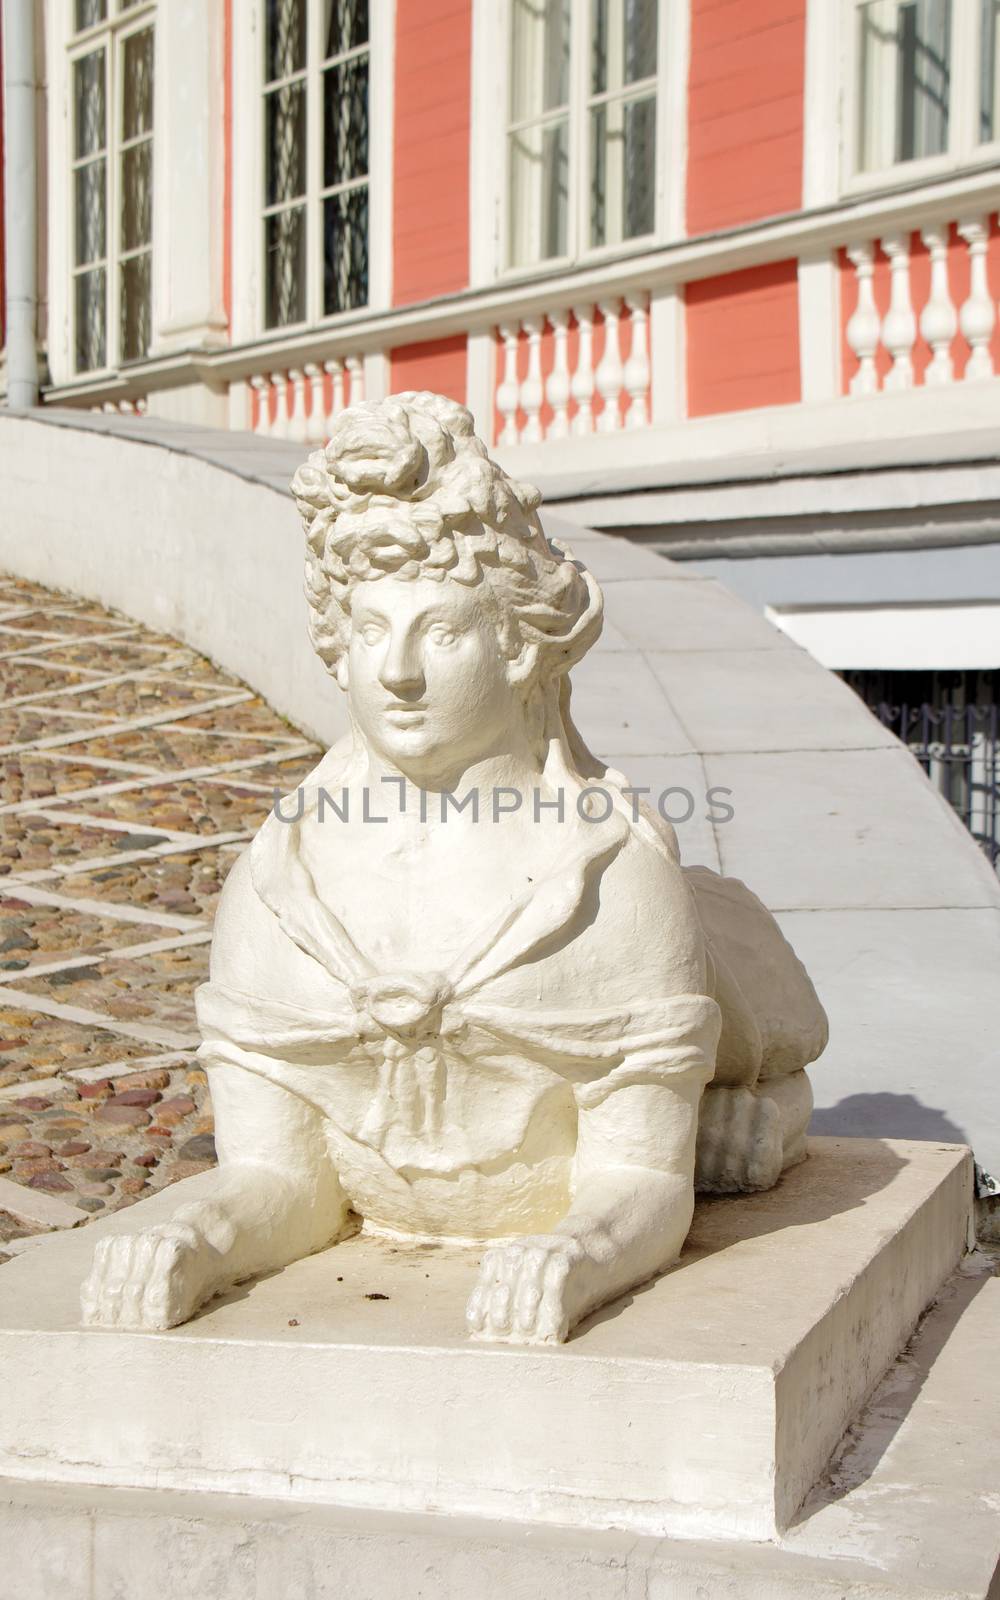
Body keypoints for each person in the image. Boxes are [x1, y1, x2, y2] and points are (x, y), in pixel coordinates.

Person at [81, 392, 826, 1344]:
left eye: (439, 632)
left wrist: (583, 1251)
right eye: (367, 632)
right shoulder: (276, 889)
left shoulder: (614, 895)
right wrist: (201, 1234)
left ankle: (762, 1095)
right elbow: (287, 1179)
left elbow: (635, 1181)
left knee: (735, 993)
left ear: (517, 646)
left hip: (653, 959)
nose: (394, 672)